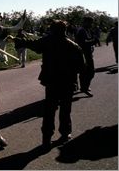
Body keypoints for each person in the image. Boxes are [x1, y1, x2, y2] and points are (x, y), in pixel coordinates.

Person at [14, 20, 85, 151]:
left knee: (49, 111)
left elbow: (34, 45)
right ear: (65, 30)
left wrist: (20, 41)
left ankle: (46, 139)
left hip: (51, 82)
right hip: (68, 83)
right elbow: (81, 66)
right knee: (65, 109)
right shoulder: (74, 46)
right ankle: (65, 134)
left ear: (52, 30)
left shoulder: (47, 41)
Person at [75, 16, 97, 97]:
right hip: (84, 55)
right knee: (90, 72)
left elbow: (89, 40)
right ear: (85, 22)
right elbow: (84, 42)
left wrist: (92, 40)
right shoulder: (81, 31)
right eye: (90, 22)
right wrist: (93, 41)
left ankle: (84, 87)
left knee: (84, 72)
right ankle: (84, 88)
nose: (91, 24)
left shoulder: (87, 30)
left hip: (87, 54)